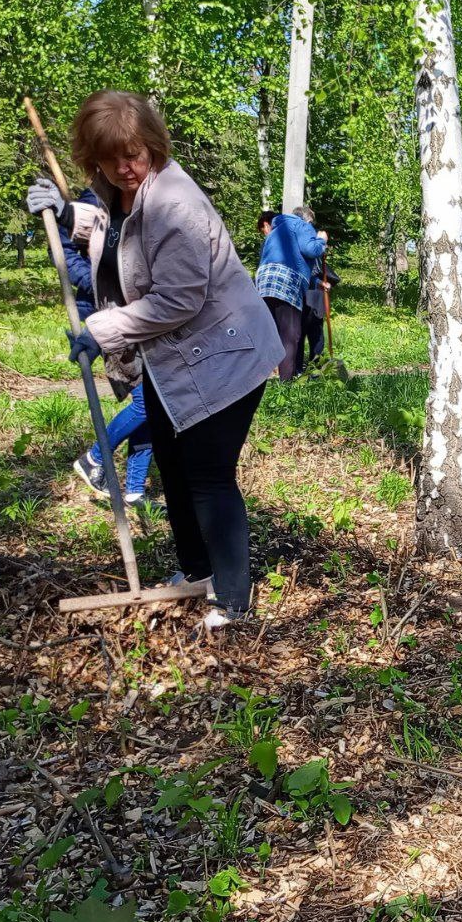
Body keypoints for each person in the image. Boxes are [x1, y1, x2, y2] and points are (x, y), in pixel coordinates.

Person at [64, 90, 283, 627]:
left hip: (227, 352)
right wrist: (65, 211)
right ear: (93, 157)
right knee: (169, 459)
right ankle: (196, 569)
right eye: (110, 158)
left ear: (153, 146)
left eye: (134, 154)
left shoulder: (174, 203)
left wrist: (103, 328)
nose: (124, 167)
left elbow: (179, 298)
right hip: (178, 360)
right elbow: (112, 236)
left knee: (207, 472)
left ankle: (232, 598)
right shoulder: (118, 191)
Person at [27, 177, 155, 506]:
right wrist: (105, 283)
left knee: (157, 402)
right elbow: (68, 259)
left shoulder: (133, 203)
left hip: (136, 313)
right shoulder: (90, 204)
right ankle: (95, 458)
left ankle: (136, 489)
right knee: (148, 402)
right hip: (105, 316)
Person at [255, 204, 328, 380]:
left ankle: (257, 381)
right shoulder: (302, 225)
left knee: (272, 331)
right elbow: (310, 250)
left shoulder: (276, 230)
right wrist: (321, 240)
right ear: (307, 219)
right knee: (290, 335)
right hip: (286, 282)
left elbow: (292, 260)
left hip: (264, 281)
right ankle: (286, 387)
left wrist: (317, 282)